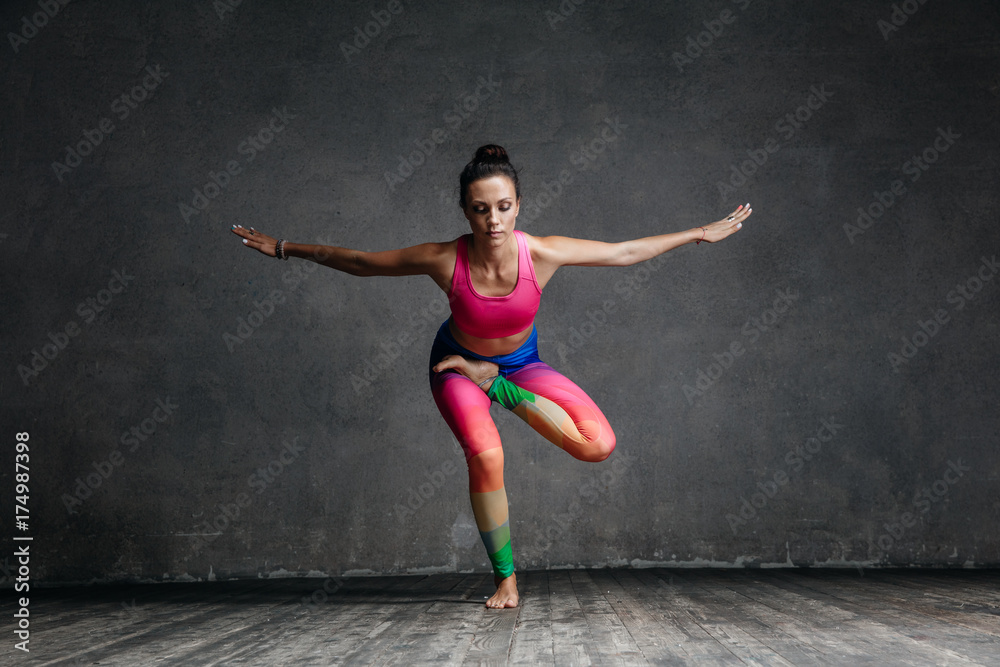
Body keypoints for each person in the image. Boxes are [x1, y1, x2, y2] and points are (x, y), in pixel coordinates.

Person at [232, 144, 751, 609]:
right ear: (466, 211)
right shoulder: (444, 259)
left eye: (503, 208)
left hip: (520, 365)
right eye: (481, 210)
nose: (494, 221)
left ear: (518, 205)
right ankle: (506, 580)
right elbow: (364, 264)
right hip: (454, 364)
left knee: (598, 445)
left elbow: (624, 252)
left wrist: (698, 234)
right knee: (487, 453)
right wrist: (284, 248)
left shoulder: (541, 253)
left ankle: (492, 382)